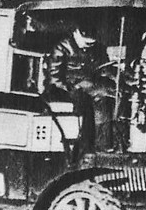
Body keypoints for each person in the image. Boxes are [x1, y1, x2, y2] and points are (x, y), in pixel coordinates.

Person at [45, 24, 117, 155]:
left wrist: (116, 76)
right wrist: (71, 88)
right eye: (87, 43)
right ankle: (101, 144)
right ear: (76, 34)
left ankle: (115, 137)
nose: (89, 47)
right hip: (69, 90)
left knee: (114, 93)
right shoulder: (62, 48)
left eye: (92, 44)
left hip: (91, 85)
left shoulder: (98, 48)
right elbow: (54, 78)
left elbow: (105, 67)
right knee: (100, 97)